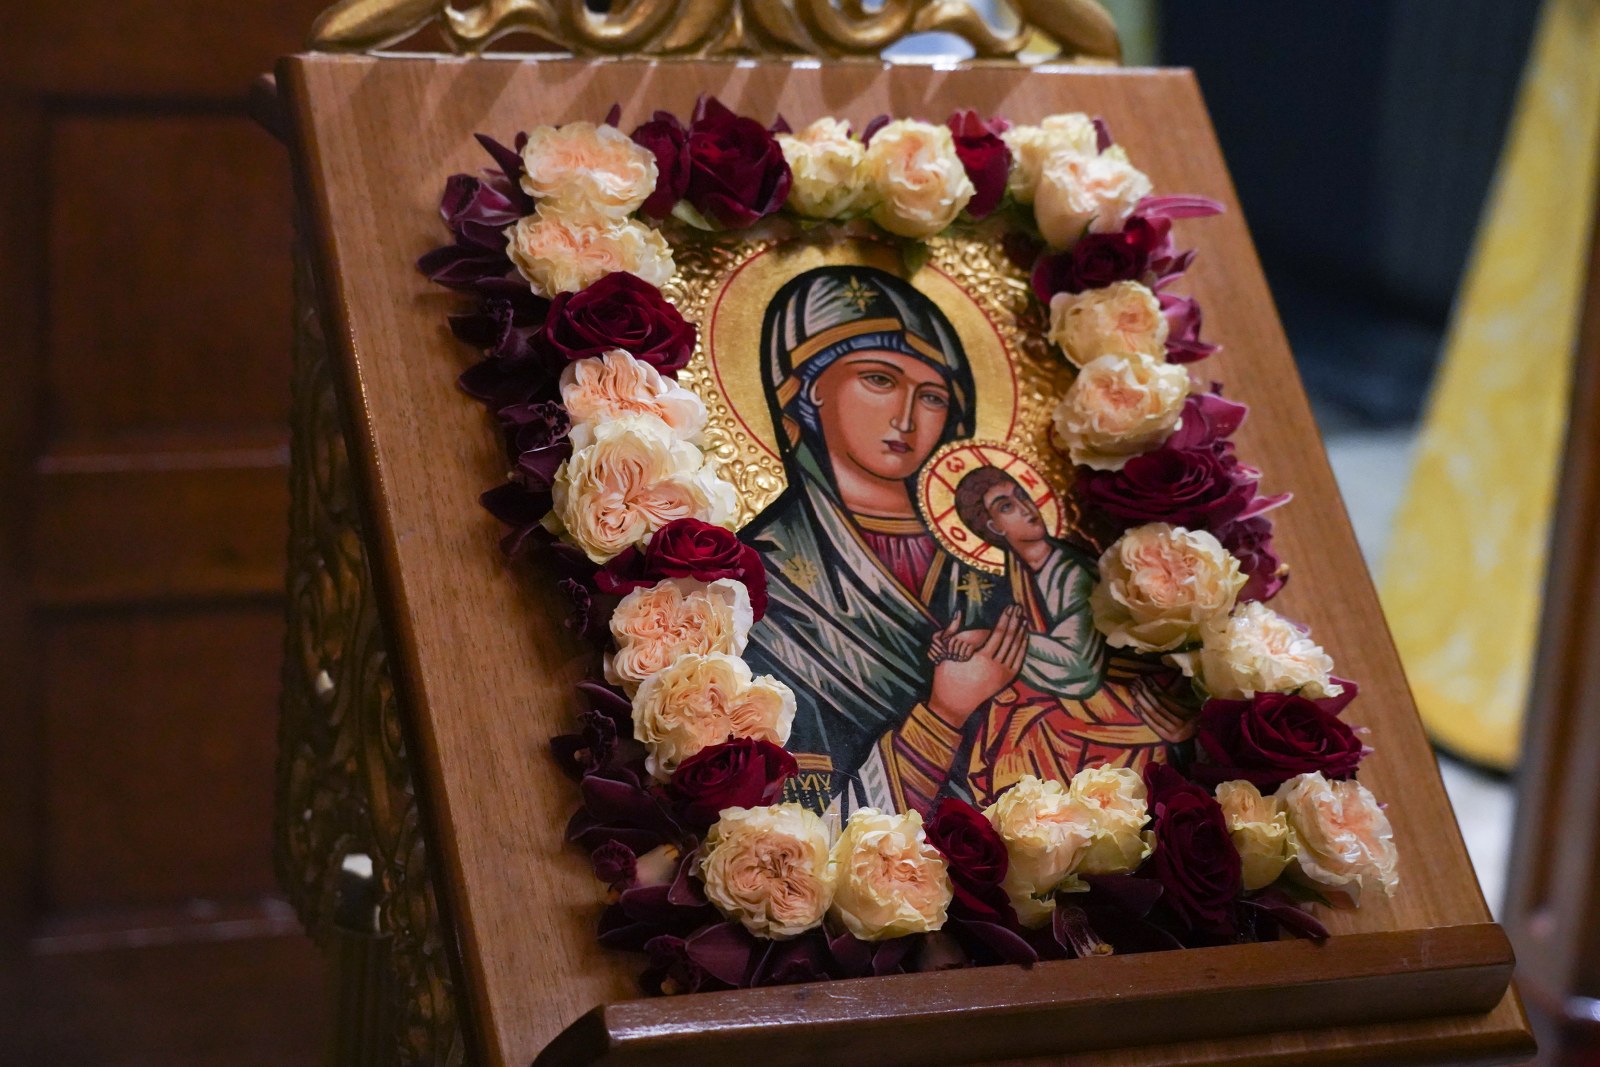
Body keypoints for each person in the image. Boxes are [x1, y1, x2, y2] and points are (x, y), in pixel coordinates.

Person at [738, 266, 1024, 816]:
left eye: (933, 397)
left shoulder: (990, 562)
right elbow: (807, 825)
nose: (906, 418)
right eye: (879, 380)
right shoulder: (761, 576)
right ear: (810, 389)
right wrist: (943, 713)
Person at [939, 465, 1199, 804]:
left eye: (1022, 495)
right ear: (993, 527)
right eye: (1007, 506)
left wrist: (986, 639)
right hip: (1081, 699)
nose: (1027, 507)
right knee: (1008, 716)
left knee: (1027, 732)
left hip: (1121, 699)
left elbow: (1079, 668)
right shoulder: (1020, 574)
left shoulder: (1069, 570)